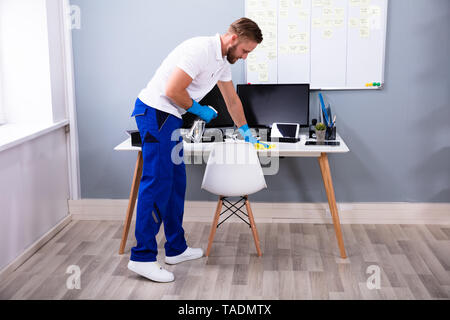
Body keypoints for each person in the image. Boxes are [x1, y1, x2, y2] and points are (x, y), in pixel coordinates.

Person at [128, 17, 266, 283]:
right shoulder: (200, 50)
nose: (246, 57)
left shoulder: (223, 62)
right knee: (157, 183)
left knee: (175, 183)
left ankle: (175, 249)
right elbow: (172, 90)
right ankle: (142, 257)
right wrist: (200, 110)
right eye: (246, 51)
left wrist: (246, 132)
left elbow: (232, 101)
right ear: (233, 38)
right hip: (156, 112)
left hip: (170, 117)